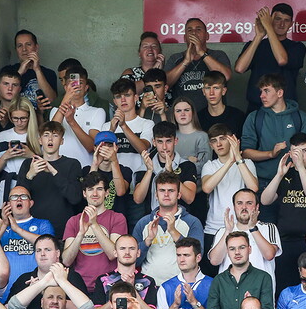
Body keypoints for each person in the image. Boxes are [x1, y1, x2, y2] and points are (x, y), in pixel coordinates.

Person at [260, 132, 306, 290]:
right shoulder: (286, 173)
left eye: (304, 151)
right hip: (284, 241)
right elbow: (265, 200)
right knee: (284, 287)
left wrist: (300, 168)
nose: (300, 155)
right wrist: (279, 175)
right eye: (296, 151)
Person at [96, 78, 156, 228]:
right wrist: (111, 129)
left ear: (136, 98)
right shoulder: (106, 125)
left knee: (137, 230)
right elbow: (101, 154)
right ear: (114, 101)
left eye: (127, 95)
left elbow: (143, 148)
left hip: (136, 189)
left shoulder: (146, 123)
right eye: (118, 96)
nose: (123, 99)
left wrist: (123, 126)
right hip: (113, 188)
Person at [240, 74, 306, 195]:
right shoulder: (254, 117)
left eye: (266, 91)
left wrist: (299, 163)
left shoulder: (300, 117)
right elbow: (245, 152)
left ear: (280, 93)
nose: (261, 96)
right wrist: (270, 154)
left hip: (295, 179)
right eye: (261, 91)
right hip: (264, 182)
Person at [201, 128, 259, 271]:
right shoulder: (210, 165)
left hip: (242, 227)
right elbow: (207, 188)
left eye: (223, 138)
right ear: (211, 145)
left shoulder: (247, 163)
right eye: (214, 141)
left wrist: (238, 160)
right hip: (214, 228)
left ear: (233, 140)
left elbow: (254, 188)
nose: (219, 144)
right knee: (213, 274)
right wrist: (229, 162)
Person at [132, 170, 203, 284]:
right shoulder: (143, 223)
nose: (166, 194)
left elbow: (199, 255)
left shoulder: (192, 222)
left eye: (171, 191)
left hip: (181, 284)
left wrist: (173, 231)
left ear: (179, 195)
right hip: (149, 286)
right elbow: (133, 261)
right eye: (162, 190)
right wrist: (148, 240)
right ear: (156, 195)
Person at [16, 121, 84, 237]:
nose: (50, 139)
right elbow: (18, 199)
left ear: (62, 141)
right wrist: (30, 175)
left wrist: (54, 172)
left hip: (62, 230)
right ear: (40, 140)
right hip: (32, 229)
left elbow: (75, 198)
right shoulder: (29, 164)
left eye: (55, 135)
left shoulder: (72, 164)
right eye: (46, 135)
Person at [235, 3, 306, 111]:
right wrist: (259, 36)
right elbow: (239, 68)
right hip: (257, 107)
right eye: (277, 19)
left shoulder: (297, 47)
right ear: (271, 20)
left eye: (286, 20)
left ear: (291, 24)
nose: (281, 24)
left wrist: (269, 28)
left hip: (284, 109)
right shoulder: (256, 44)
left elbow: (282, 60)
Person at [62, 172, 127, 291]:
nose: (95, 193)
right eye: (90, 189)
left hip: (109, 284)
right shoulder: (74, 221)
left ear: (107, 193)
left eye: (99, 189)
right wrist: (80, 234)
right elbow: (66, 260)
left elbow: (113, 254)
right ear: (84, 193)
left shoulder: (117, 218)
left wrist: (95, 224)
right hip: (79, 285)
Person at [0, 185, 55, 294]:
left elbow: (48, 244)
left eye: (23, 196)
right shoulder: (0, 227)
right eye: (14, 197)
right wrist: (5, 224)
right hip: (5, 289)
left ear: (31, 203)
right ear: (8, 204)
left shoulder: (43, 224)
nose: (19, 199)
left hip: (36, 287)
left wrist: (17, 229)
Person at [164, 17, 232, 109]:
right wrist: (185, 62)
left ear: (207, 36)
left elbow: (226, 76)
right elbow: (165, 84)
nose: (194, 33)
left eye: (198, 29)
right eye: (190, 30)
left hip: (211, 114)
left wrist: (202, 53)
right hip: (184, 116)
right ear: (184, 38)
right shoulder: (175, 58)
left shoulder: (217, 55)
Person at [89, 235, 159, 309]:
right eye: (122, 248)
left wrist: (131, 288)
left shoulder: (148, 281)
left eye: (132, 248)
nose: (127, 252)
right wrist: (119, 293)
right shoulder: (104, 280)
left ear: (138, 253)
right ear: (115, 252)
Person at [132, 121, 198, 212]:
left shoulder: (187, 165)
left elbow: (189, 199)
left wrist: (171, 172)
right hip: (153, 220)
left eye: (168, 141)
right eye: (160, 142)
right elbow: (138, 199)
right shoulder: (146, 166)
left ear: (175, 141)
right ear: (154, 142)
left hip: (180, 220)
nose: (164, 147)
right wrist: (149, 171)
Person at [0, 96, 41, 207]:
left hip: (33, 184)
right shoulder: (2, 136)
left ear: (30, 116)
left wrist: (31, 155)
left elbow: (48, 165)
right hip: (8, 184)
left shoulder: (39, 136)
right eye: (15, 118)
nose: (19, 122)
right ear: (10, 117)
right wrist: (5, 156)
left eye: (23, 118)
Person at [52, 66, 104, 170]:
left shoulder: (97, 111)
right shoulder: (55, 111)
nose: (76, 86)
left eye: (80, 82)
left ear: (86, 87)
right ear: (65, 87)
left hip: (84, 168)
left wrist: (71, 121)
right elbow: (51, 134)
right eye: (72, 83)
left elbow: (91, 147)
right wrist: (66, 98)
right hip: (57, 168)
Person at [5, 29, 58, 109]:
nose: (24, 49)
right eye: (19, 46)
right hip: (16, 119)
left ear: (36, 47)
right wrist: (19, 73)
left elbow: (51, 100)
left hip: (41, 119)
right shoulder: (8, 71)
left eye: (28, 44)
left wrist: (37, 70)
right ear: (16, 49)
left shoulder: (49, 73)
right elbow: (3, 99)